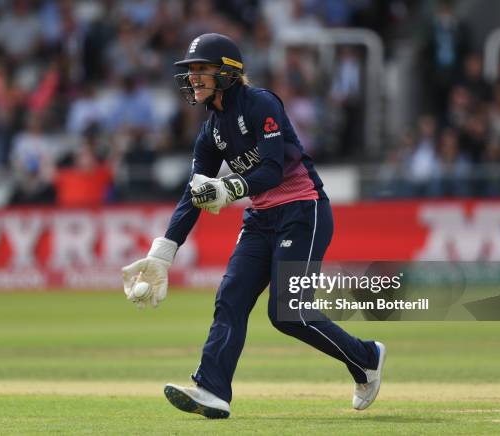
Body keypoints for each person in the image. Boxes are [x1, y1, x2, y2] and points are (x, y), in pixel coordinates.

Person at [121, 33, 385, 419]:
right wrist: (163, 252)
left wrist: (229, 187)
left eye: (201, 70)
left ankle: (367, 357)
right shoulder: (209, 132)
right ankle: (212, 390)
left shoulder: (261, 103)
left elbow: (274, 168)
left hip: (303, 211)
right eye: (190, 71)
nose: (193, 78)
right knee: (231, 296)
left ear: (227, 72)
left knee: (288, 313)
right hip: (261, 219)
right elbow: (194, 194)